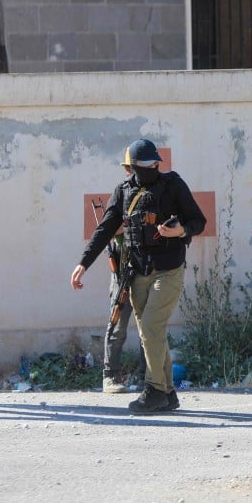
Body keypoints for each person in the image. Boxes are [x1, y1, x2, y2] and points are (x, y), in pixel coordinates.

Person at [72, 138, 206, 414]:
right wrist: (83, 263)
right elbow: (104, 230)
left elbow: (198, 221)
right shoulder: (122, 192)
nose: (150, 169)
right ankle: (168, 394)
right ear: (131, 168)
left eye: (154, 164)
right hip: (136, 271)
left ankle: (154, 389)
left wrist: (180, 230)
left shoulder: (173, 185)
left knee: (151, 328)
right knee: (151, 332)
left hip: (168, 268)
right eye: (143, 166)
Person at [101, 149, 146, 394]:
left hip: (145, 271)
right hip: (122, 272)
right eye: (129, 168)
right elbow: (108, 228)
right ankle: (110, 376)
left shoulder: (151, 194)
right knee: (117, 326)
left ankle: (146, 377)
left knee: (146, 330)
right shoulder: (120, 194)